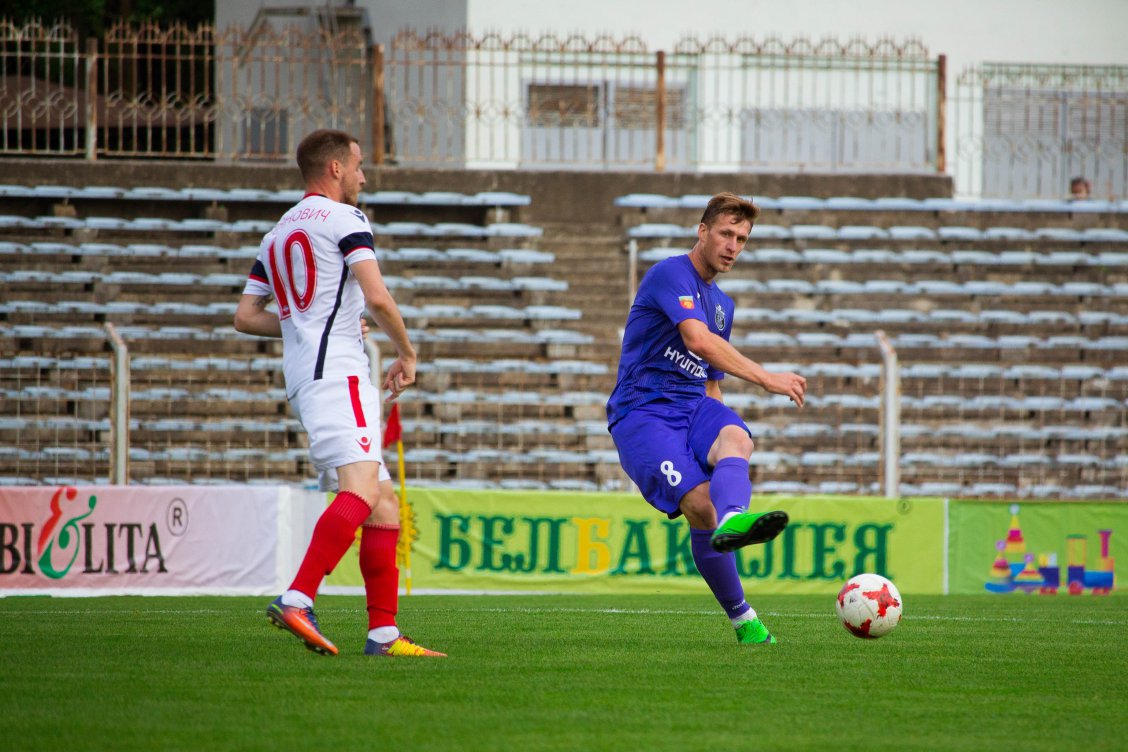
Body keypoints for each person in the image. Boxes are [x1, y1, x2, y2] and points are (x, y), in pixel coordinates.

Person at [234, 128, 444, 658]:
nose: (363, 176)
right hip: (340, 373)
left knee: (384, 504)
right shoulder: (346, 218)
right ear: (334, 169)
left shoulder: (277, 232)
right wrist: (408, 353)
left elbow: (246, 317)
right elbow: (377, 296)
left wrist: (312, 323)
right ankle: (297, 597)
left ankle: (384, 635)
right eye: (357, 165)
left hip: (307, 376)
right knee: (361, 491)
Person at [606, 192, 807, 645]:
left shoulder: (724, 305)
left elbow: (710, 380)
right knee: (700, 506)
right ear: (703, 231)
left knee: (737, 437)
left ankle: (735, 518)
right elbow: (696, 341)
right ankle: (744, 619)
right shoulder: (669, 274)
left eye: (742, 238)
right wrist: (766, 378)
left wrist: (717, 442)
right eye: (726, 233)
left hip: (693, 405)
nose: (733, 245)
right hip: (644, 413)